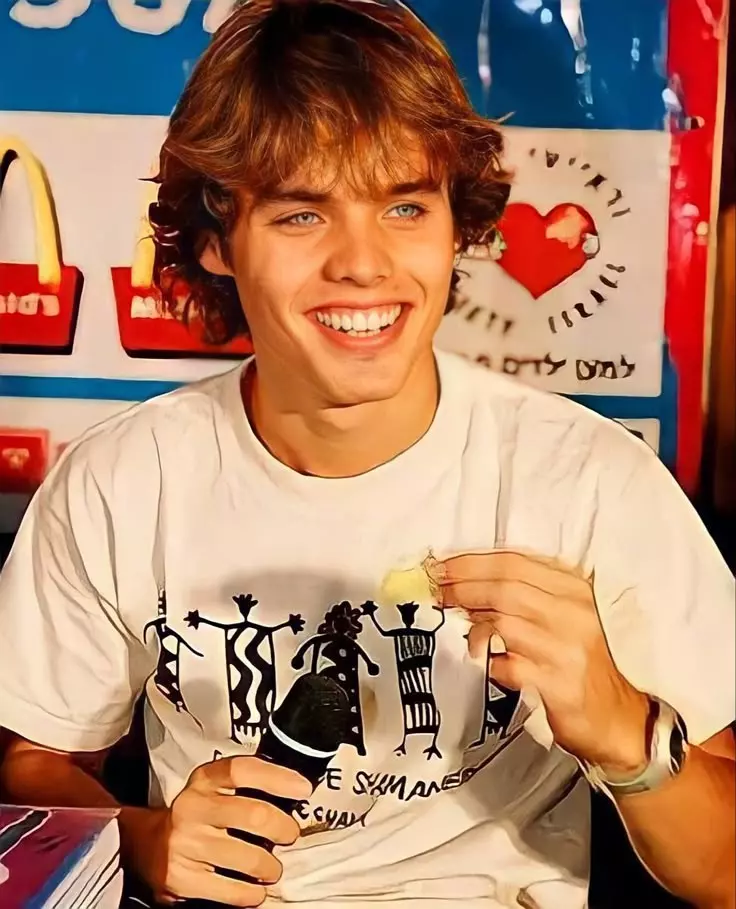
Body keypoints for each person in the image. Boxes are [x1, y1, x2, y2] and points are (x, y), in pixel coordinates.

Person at [0, 1, 734, 907]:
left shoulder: (588, 479)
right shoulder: (119, 480)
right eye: (303, 214)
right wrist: (143, 839)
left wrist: (626, 732)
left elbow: (725, 870)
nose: (364, 263)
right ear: (216, 240)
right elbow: (36, 761)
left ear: (456, 225)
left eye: (405, 206)